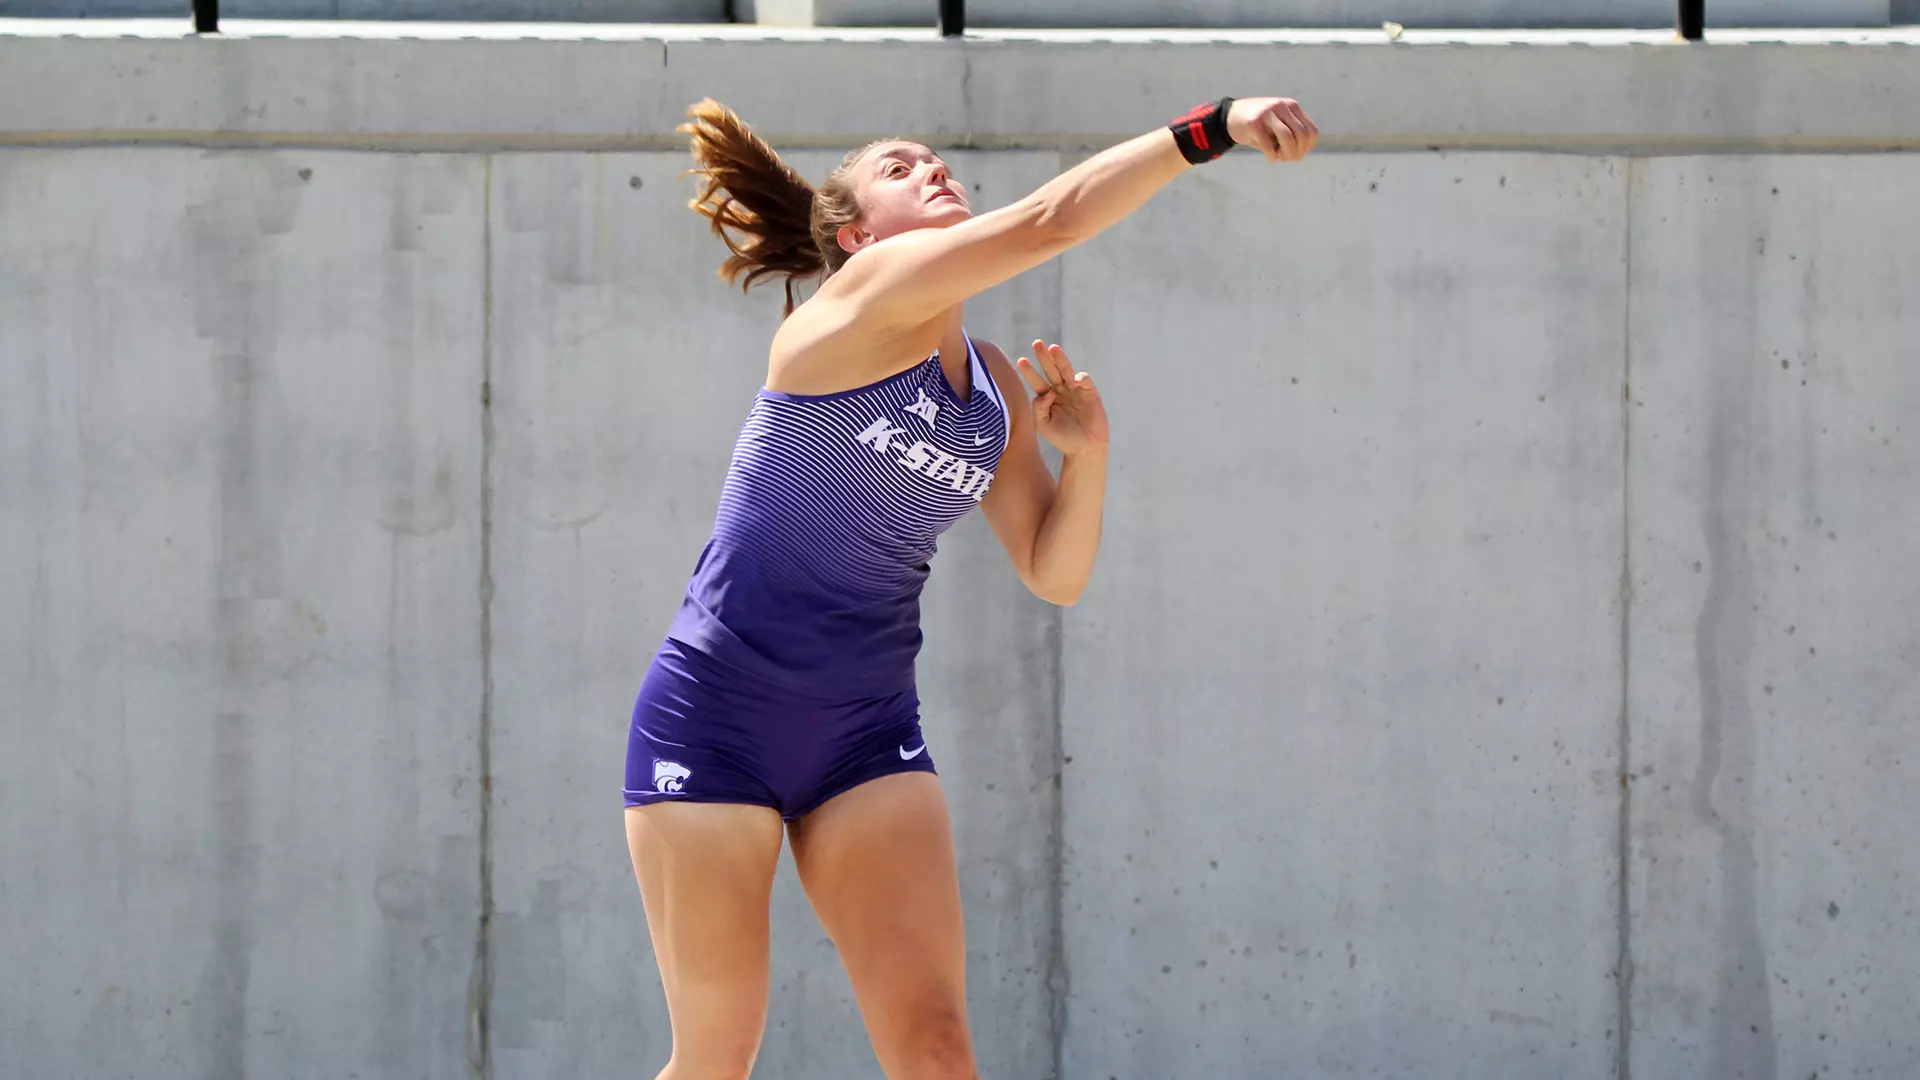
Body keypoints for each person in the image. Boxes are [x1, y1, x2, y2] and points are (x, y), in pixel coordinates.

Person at [624, 93, 1318, 1080]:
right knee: (716, 1060)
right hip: (714, 717)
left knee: (939, 1052)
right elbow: (1052, 221)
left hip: (863, 733)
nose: (935, 170)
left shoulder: (989, 382)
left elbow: (1053, 571)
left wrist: (1090, 458)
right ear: (859, 236)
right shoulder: (853, 311)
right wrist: (1210, 128)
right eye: (900, 169)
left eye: (938, 160)